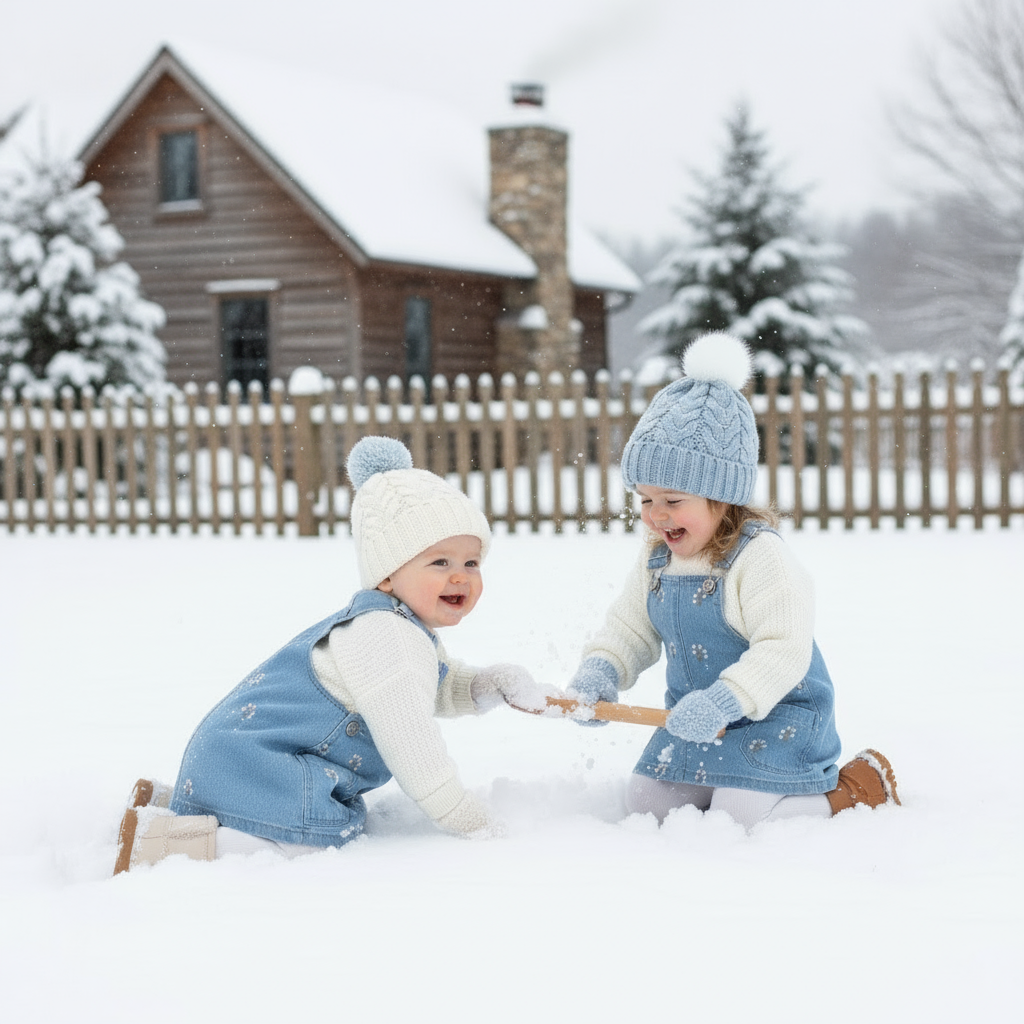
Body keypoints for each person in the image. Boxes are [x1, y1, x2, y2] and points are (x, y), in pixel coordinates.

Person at [113, 436, 553, 873]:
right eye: (440, 562)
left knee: (314, 821)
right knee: (312, 838)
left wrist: (485, 685)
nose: (460, 576)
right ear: (386, 576)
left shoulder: (394, 626)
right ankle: (161, 844)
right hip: (258, 760)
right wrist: (466, 817)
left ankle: (181, 803)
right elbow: (411, 743)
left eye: (471, 563)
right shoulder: (387, 636)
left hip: (237, 758)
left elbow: (431, 685)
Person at [567, 332, 900, 830]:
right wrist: (601, 672)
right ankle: (727, 782)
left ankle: (855, 788)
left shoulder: (759, 557)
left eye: (673, 500)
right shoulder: (657, 559)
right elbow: (630, 630)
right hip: (695, 721)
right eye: (644, 499)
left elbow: (784, 650)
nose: (656, 516)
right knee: (646, 801)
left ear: (722, 498)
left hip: (777, 717)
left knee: (738, 813)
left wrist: (727, 701)